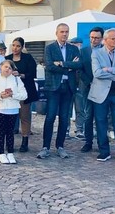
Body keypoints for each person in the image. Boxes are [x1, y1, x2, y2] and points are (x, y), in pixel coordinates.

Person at [88, 28, 115, 163]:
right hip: (100, 93)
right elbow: (97, 73)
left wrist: (109, 69)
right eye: (114, 39)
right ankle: (104, 151)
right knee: (101, 122)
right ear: (105, 40)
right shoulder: (96, 53)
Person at [37, 23, 81, 159]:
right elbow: (49, 66)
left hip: (68, 87)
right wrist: (69, 66)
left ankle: (60, 146)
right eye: (62, 31)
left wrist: (62, 64)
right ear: (57, 33)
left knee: (64, 118)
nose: (64, 34)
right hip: (54, 87)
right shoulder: (50, 48)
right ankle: (45, 147)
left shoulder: (73, 48)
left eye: (67, 32)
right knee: (50, 117)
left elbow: (78, 64)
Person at [0, 60, 27, 164]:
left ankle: (10, 152)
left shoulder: (17, 80)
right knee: (1, 131)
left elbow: (24, 95)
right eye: (5, 67)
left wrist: (13, 95)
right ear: (1, 68)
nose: (7, 69)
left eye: (9, 68)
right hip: (0, 109)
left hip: (12, 109)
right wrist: (0, 96)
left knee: (10, 132)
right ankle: (1, 153)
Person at [5, 37, 38, 152]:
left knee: (24, 117)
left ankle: (25, 142)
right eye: (13, 45)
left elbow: (33, 73)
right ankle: (9, 142)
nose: (15, 48)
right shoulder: (7, 59)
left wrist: (20, 75)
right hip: (10, 93)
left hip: (24, 91)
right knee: (10, 118)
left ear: (22, 47)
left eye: (18, 46)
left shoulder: (28, 58)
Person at [79, 27, 104, 152]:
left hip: (103, 87)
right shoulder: (84, 51)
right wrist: (89, 81)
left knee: (101, 116)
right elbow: (80, 69)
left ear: (102, 38)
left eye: (97, 38)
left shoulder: (106, 51)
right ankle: (88, 141)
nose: (94, 40)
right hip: (88, 86)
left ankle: (102, 142)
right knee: (88, 115)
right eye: (92, 37)